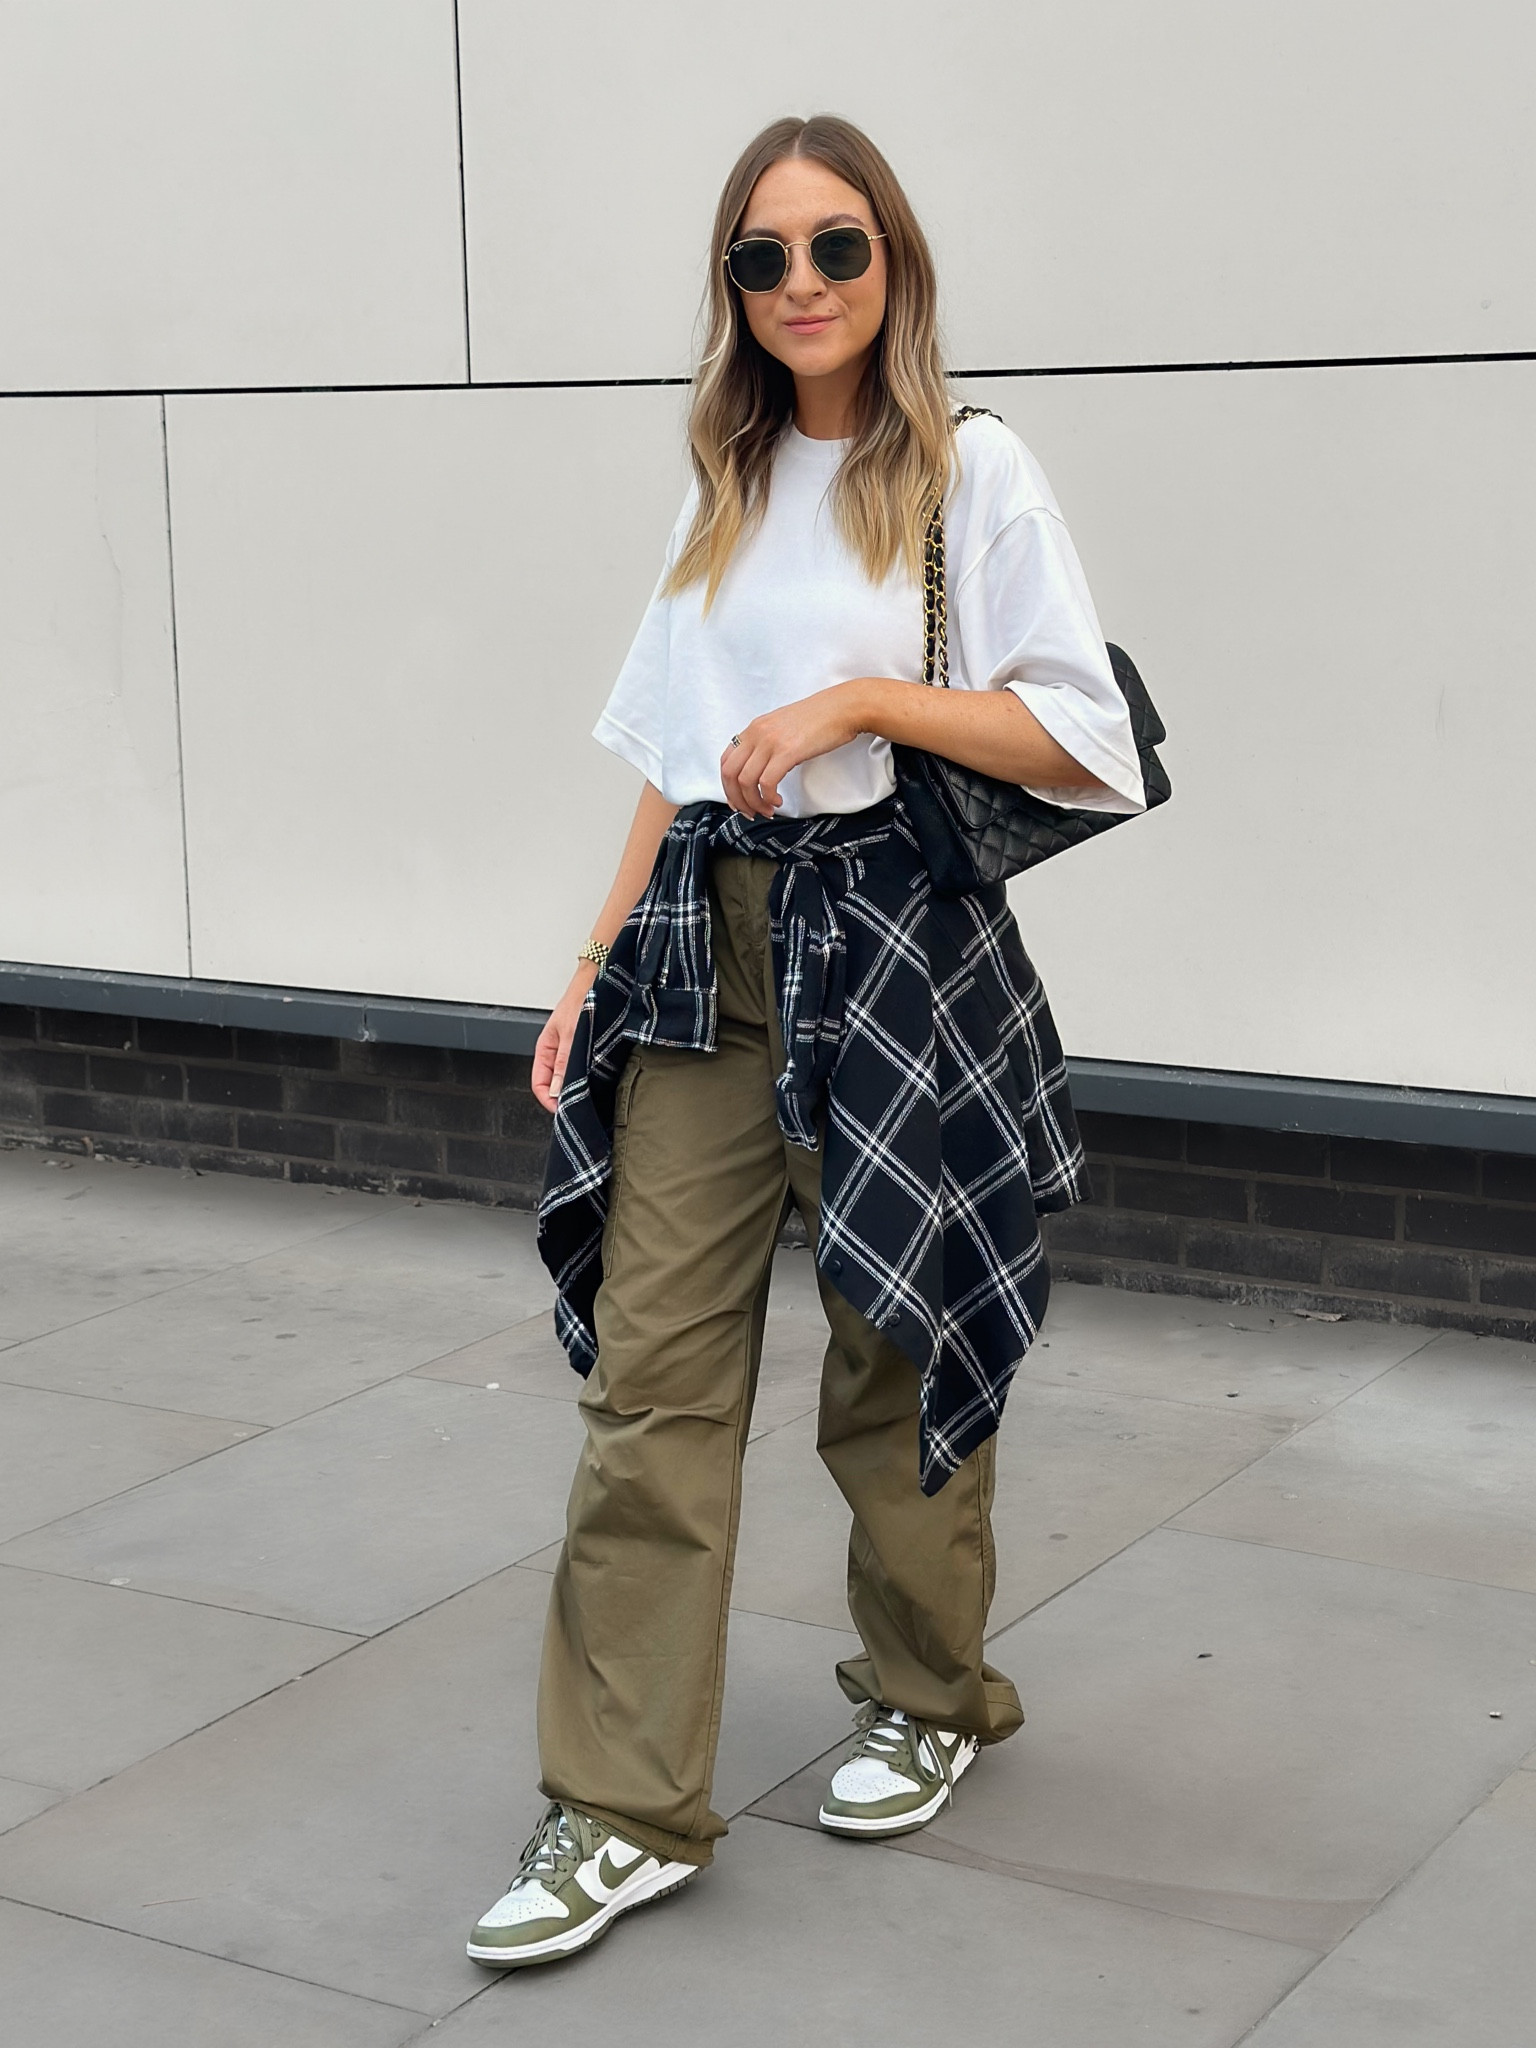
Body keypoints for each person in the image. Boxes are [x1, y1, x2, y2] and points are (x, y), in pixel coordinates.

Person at [466, 112, 1145, 1971]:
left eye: (836, 245)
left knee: (894, 1351)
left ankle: (929, 1693)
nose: (801, 284)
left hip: (893, 948)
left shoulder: (971, 469)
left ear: (892, 259)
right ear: (734, 287)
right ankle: (619, 1809)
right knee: (652, 1380)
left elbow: (1080, 738)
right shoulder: (727, 478)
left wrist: (862, 698)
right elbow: (671, 760)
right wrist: (591, 963)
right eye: (761, 257)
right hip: (709, 951)